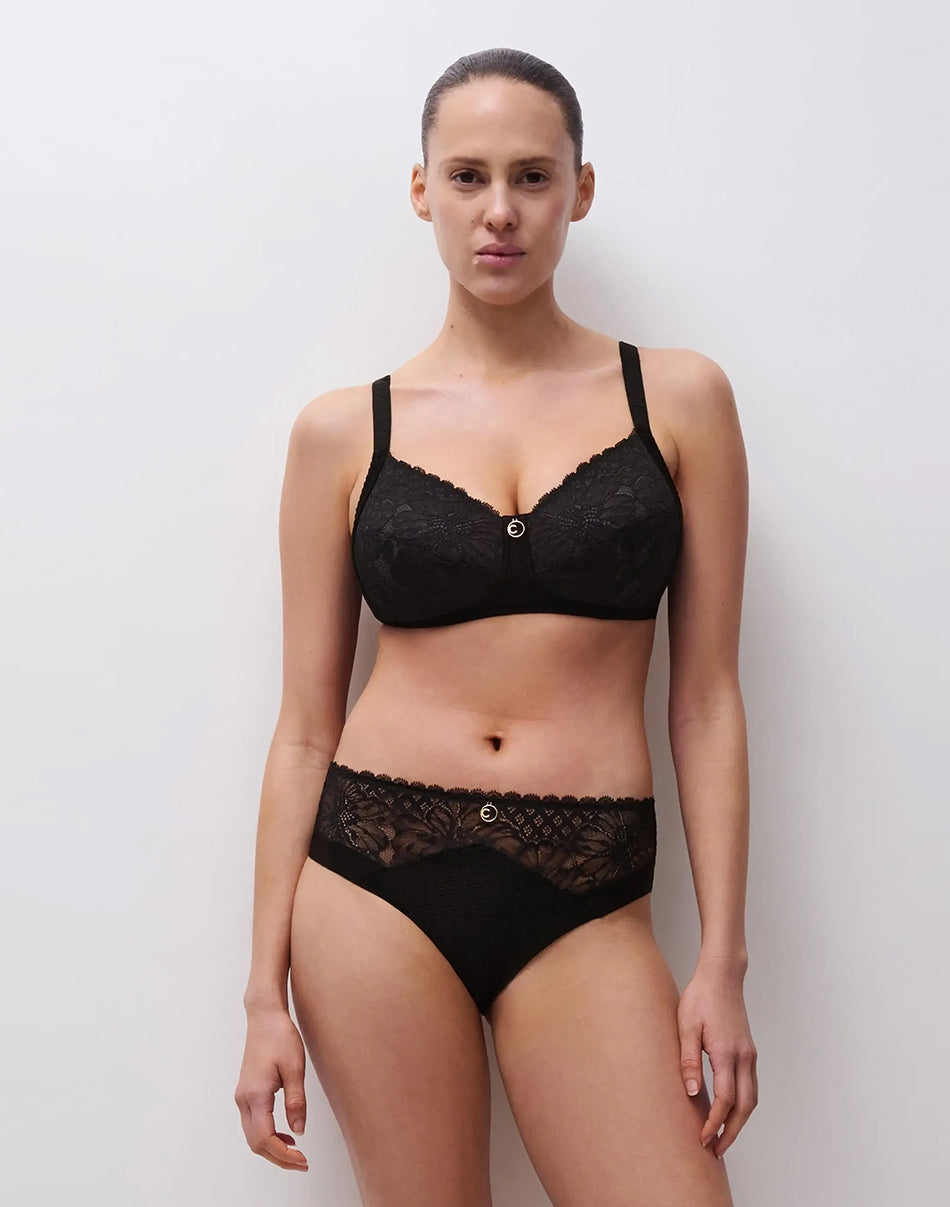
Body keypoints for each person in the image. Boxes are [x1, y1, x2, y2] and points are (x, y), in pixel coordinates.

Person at [234, 46, 755, 1207]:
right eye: (468, 176)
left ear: (580, 188)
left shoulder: (678, 400)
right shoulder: (343, 432)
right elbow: (306, 726)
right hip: (372, 881)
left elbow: (707, 697)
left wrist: (721, 960)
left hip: (586, 885)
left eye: (532, 175)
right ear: (422, 189)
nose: (501, 211)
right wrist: (263, 993)